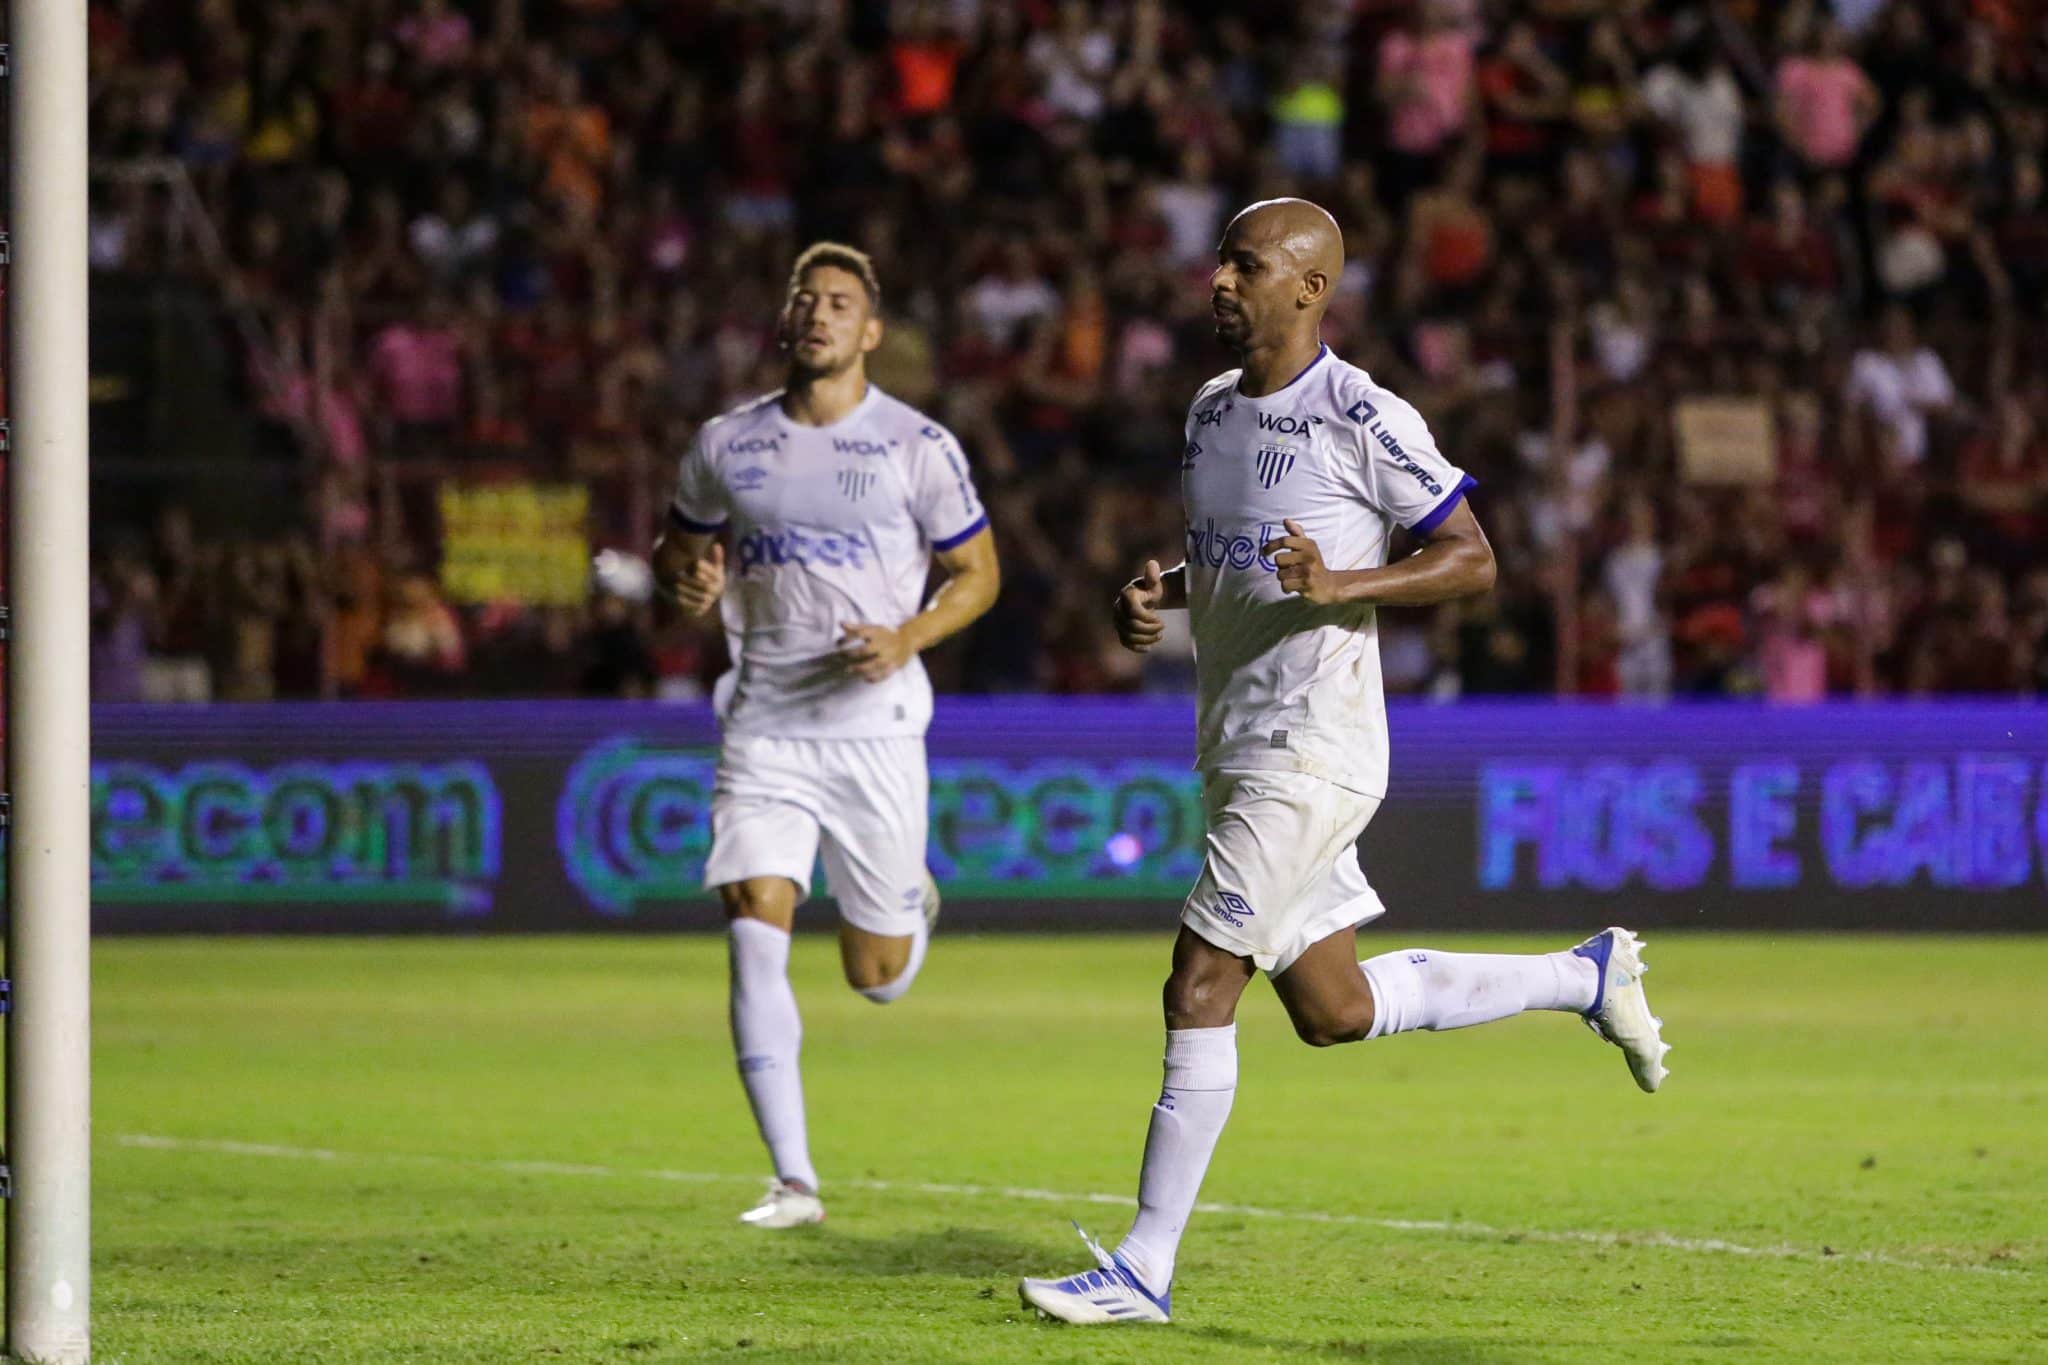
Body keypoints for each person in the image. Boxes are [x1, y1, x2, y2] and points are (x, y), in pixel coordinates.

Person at [1017, 201, 1670, 1325]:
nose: (1219, 280)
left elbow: (1469, 560)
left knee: (1198, 978)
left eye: (1245, 264)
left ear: (1309, 288)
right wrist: (1155, 598)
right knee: (1330, 1008)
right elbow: (1234, 560)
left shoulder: (1361, 413)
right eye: (1219, 259)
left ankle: (1141, 1268)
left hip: (1311, 748)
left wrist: (1347, 586)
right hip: (1235, 741)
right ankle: (1585, 976)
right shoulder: (1209, 411)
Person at [595, 242, 1001, 1229]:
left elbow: (980, 574)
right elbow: (677, 563)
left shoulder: (916, 446)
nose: (818, 315)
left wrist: (905, 636)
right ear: (785, 323)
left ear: (868, 331)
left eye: (839, 304)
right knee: (751, 915)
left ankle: (908, 917)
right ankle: (793, 1179)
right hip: (765, 723)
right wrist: (680, 583)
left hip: (873, 730)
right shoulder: (724, 445)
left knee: (874, 979)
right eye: (804, 300)